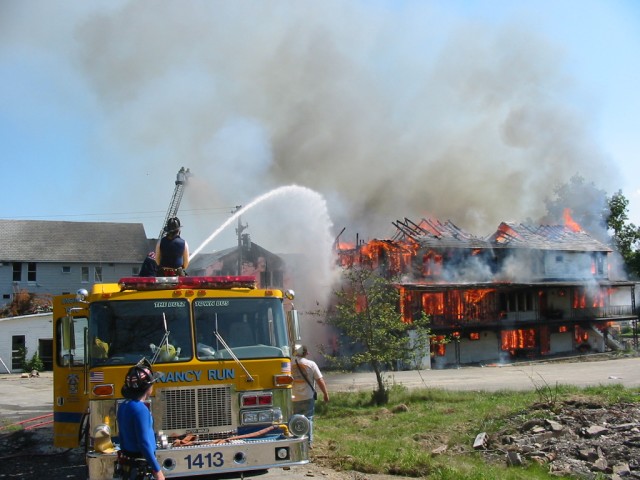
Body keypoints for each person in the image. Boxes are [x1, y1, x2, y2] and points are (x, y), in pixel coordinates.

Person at [116, 361, 165, 480]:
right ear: (147, 387)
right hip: (141, 467)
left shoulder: (123, 406)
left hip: (128, 464)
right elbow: (144, 443)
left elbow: (121, 437)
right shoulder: (141, 410)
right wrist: (157, 470)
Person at [292, 345, 329, 446]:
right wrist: (325, 394)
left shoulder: (289, 364)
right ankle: (308, 442)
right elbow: (319, 380)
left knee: (294, 418)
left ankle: (296, 439)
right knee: (308, 418)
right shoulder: (311, 364)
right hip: (308, 396)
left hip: (293, 397)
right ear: (305, 353)